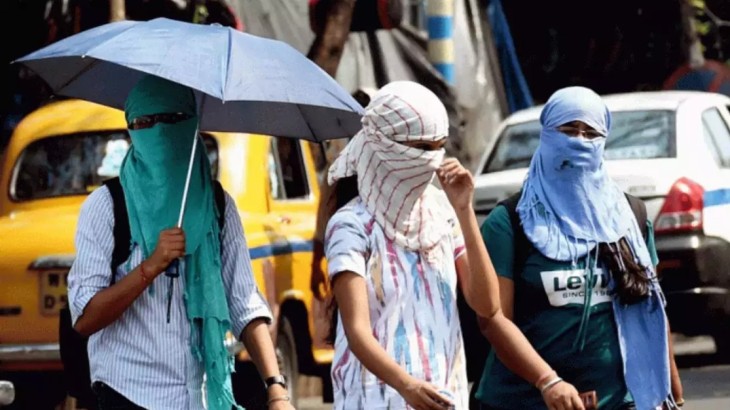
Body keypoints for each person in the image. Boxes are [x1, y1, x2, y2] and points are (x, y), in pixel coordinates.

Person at [323, 81, 583, 410]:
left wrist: (464, 210)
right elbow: (357, 330)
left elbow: (487, 306)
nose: (431, 160)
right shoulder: (352, 225)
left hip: (445, 394)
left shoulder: (441, 212)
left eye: (439, 147)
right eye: (420, 147)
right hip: (376, 397)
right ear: (383, 144)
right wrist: (406, 384)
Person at [68, 75, 294, 410]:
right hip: (127, 394)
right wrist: (150, 267)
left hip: (198, 396)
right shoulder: (107, 206)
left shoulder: (217, 206)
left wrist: (276, 388)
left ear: (192, 126)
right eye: (144, 122)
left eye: (171, 119)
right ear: (130, 129)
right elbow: (85, 318)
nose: (158, 131)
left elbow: (243, 302)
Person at [476, 86, 684, 409]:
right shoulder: (510, 223)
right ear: (546, 134)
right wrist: (547, 381)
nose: (580, 141)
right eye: (569, 130)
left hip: (618, 400)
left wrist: (668, 385)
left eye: (591, 134)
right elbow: (493, 320)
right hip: (524, 402)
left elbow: (650, 307)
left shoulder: (629, 218)